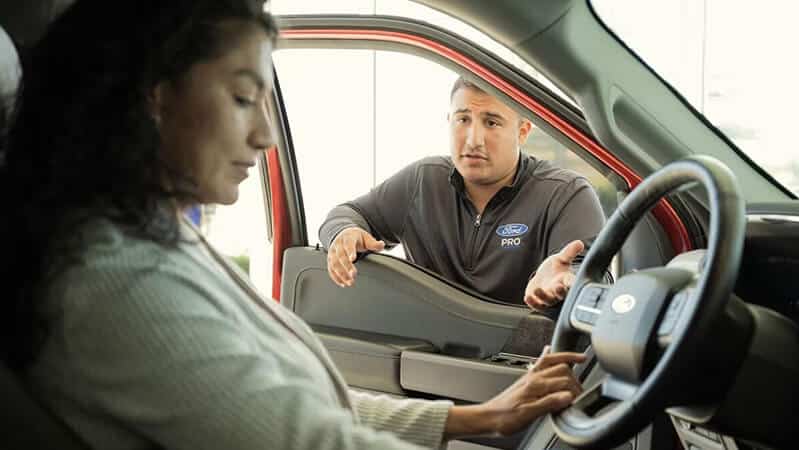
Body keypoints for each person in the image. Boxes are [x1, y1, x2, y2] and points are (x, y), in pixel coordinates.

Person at [0, 1, 586, 449]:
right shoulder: (113, 278)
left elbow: (291, 403)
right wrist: (343, 234)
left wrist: (477, 417)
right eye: (241, 97)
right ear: (151, 97)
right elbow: (310, 440)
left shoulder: (156, 237)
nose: (266, 133)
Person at [320, 77, 606, 310]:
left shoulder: (566, 194)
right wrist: (343, 233)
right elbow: (348, 214)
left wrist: (567, 283)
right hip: (431, 359)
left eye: (491, 122)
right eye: (463, 120)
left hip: (521, 362)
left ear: (523, 131)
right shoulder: (422, 182)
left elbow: (592, 278)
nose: (473, 139)